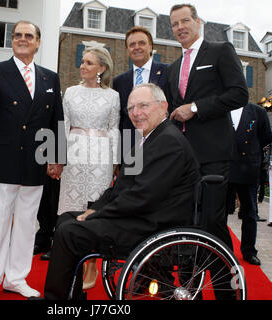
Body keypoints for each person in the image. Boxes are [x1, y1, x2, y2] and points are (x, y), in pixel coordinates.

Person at [40, 83, 200, 300]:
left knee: (71, 233)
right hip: (139, 215)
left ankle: (55, 301)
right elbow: (121, 187)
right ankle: (70, 297)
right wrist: (95, 208)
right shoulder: (145, 139)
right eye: (131, 108)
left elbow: (143, 196)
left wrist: (98, 214)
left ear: (163, 107)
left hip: (154, 225)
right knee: (66, 219)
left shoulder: (169, 142)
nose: (136, 113)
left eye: (143, 106)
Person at [0, 20, 64, 300]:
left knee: (27, 224)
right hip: (2, 160)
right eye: (17, 35)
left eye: (29, 35)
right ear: (11, 41)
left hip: (35, 163)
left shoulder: (51, 77)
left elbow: (56, 120)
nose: (22, 39)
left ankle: (16, 277)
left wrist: (57, 157)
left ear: (38, 42)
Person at [165, 4, 249, 249]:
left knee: (212, 220)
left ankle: (227, 283)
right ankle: (195, 283)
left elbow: (239, 94)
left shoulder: (220, 51)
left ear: (197, 22)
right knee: (187, 220)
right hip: (182, 158)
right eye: (175, 24)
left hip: (213, 155)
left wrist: (195, 108)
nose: (180, 27)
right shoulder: (172, 69)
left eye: (184, 21)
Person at [57, 46, 120, 290]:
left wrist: (115, 161)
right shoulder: (71, 92)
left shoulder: (112, 96)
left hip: (101, 157)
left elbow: (114, 127)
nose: (82, 66)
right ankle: (71, 259)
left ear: (101, 69)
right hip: (74, 155)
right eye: (82, 61)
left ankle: (92, 263)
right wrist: (58, 158)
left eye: (89, 63)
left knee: (95, 208)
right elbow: (63, 124)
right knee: (72, 209)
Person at [226, 103, 272, 265]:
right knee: (221, 212)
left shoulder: (257, 111)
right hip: (226, 167)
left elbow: (267, 137)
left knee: (250, 212)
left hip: (248, 167)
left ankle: (249, 250)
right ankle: (225, 249)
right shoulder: (221, 109)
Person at [113, 26, 167, 156]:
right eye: (132, 44)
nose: (137, 47)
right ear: (127, 50)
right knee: (131, 177)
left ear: (151, 47)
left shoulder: (168, 72)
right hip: (130, 148)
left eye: (142, 43)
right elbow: (119, 120)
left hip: (161, 144)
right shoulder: (119, 81)